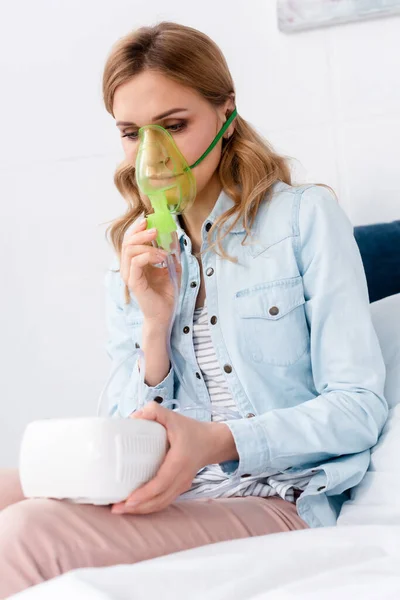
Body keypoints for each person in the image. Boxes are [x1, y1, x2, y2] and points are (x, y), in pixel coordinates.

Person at [0, 21, 387, 598]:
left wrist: (219, 440)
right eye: (132, 134)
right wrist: (154, 327)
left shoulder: (303, 220)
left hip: (276, 496)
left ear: (226, 114)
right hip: (172, 491)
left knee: (26, 533)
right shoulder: (134, 255)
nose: (152, 157)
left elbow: (358, 408)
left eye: (174, 127)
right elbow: (127, 432)